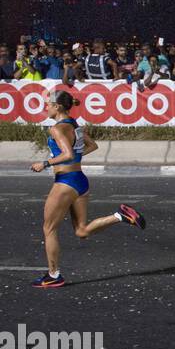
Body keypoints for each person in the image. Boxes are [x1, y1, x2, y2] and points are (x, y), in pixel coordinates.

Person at [30, 90, 145, 287]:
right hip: (80, 180)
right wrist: (73, 157)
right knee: (81, 231)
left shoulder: (56, 129)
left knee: (49, 228)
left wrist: (45, 163)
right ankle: (120, 216)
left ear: (57, 107)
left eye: (47, 104)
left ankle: (54, 275)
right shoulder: (74, 124)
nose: (45, 108)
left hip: (65, 182)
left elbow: (66, 154)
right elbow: (92, 146)